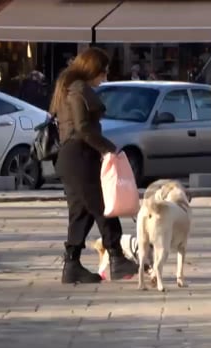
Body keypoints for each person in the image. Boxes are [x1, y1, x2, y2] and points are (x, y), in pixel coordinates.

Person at [51, 47, 137, 284]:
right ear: (91, 70)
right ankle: (117, 258)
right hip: (77, 156)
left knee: (81, 211)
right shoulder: (77, 90)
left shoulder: (70, 87)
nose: (104, 78)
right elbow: (82, 128)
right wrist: (109, 147)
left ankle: (72, 265)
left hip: (73, 157)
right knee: (102, 205)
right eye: (102, 72)